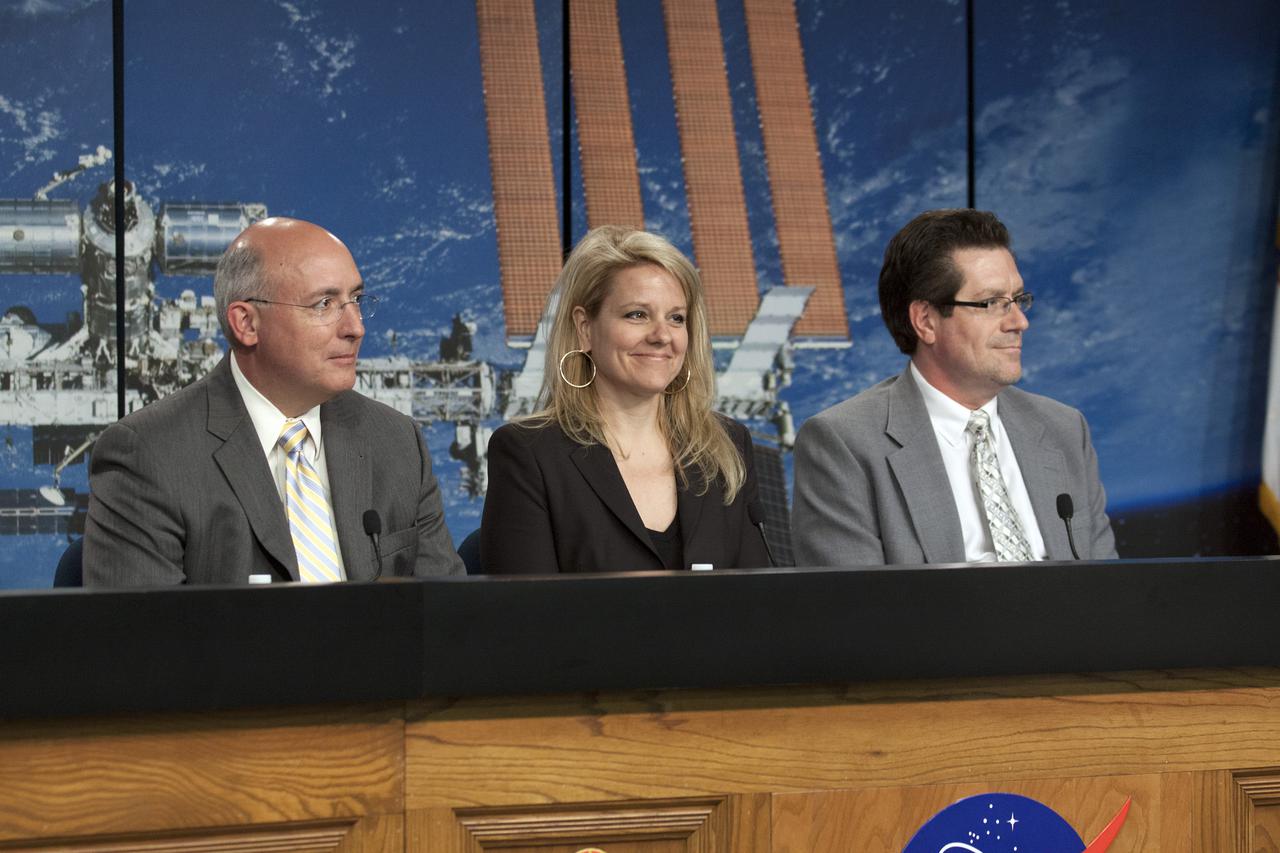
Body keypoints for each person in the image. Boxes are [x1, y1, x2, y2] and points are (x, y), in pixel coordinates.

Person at [83, 217, 464, 585]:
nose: (356, 328)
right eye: (324, 305)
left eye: (356, 299)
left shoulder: (396, 441)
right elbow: (141, 642)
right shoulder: (149, 455)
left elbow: (449, 621)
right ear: (246, 323)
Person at [792, 209, 1116, 566]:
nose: (1019, 321)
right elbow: (853, 611)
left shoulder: (1064, 429)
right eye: (992, 303)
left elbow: (1106, 593)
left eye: (1018, 300)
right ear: (926, 321)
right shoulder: (846, 444)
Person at [481, 226, 771, 574]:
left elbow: (760, 606)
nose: (662, 336)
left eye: (676, 318)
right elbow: (522, 619)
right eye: (637, 314)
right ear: (585, 327)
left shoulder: (726, 446)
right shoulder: (529, 454)